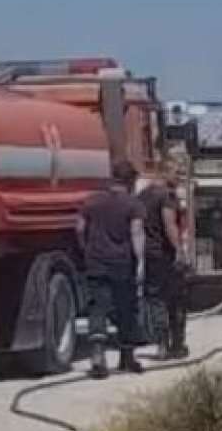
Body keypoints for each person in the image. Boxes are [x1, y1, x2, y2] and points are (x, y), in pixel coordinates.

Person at [78, 160, 146, 378]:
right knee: (126, 308)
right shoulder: (133, 205)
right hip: (122, 264)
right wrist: (141, 261)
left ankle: (98, 357)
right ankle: (127, 357)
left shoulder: (91, 202)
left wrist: (86, 248)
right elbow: (136, 233)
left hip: (96, 262)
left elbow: (79, 228)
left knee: (98, 308)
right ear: (130, 181)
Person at [138, 159, 189, 360]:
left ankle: (160, 344)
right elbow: (169, 225)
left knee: (156, 299)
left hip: (149, 253)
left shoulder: (142, 196)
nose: (180, 177)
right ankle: (176, 346)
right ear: (165, 173)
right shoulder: (167, 196)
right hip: (166, 254)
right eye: (178, 173)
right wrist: (179, 250)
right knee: (176, 299)